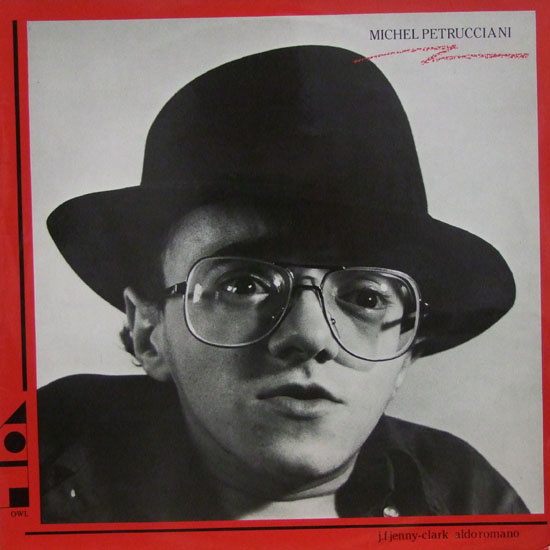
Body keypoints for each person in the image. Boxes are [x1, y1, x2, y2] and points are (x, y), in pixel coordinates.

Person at [38, 45, 529, 522]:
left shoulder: (471, 501)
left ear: (405, 355)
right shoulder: (36, 466)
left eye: (365, 297)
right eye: (241, 286)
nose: (310, 337)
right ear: (150, 333)